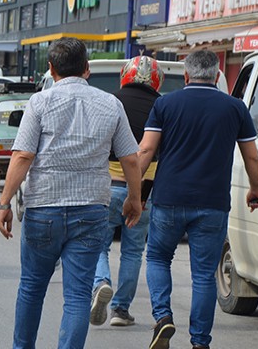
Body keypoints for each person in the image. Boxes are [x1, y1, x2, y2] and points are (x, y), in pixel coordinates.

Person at [0, 37, 143, 349]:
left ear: (51, 68)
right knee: (77, 296)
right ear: (87, 69)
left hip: (43, 209)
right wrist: (135, 199)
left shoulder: (40, 102)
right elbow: (130, 157)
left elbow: (22, 157)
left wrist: (4, 202)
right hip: (90, 210)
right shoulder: (110, 104)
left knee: (32, 288)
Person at [137, 49, 258, 349]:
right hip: (212, 203)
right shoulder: (235, 108)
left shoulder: (165, 104)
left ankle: (162, 317)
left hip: (169, 199)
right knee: (204, 274)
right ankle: (200, 342)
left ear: (185, 75)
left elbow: (145, 151)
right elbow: (252, 157)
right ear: (218, 75)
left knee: (157, 257)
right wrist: (255, 189)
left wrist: (134, 193)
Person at [90, 56, 163, 327]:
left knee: (99, 244)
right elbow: (158, 153)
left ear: (125, 75)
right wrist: (143, 195)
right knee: (133, 252)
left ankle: (101, 282)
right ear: (157, 79)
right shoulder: (162, 105)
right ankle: (120, 310)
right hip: (144, 188)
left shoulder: (109, 101)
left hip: (107, 185)